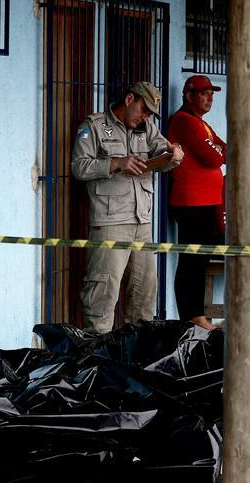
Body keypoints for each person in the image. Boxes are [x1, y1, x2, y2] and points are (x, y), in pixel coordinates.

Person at [71, 82, 184, 334]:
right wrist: (115, 163)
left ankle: (136, 358)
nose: (145, 117)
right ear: (130, 99)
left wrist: (173, 156)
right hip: (110, 223)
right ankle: (96, 359)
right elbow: (79, 167)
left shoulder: (147, 128)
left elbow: (162, 156)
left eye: (149, 114)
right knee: (103, 293)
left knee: (144, 293)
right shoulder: (95, 127)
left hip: (142, 221)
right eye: (143, 110)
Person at [167, 75, 227, 330]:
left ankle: (196, 314)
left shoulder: (200, 123)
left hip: (206, 202)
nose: (209, 97)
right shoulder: (185, 121)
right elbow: (214, 157)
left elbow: (224, 147)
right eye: (204, 93)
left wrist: (222, 150)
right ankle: (192, 315)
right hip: (192, 203)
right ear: (189, 95)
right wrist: (222, 152)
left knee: (201, 259)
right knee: (193, 260)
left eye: (211, 93)